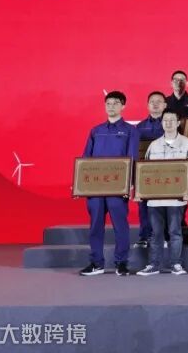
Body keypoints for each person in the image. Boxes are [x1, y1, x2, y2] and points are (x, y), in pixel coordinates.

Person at [79, 91, 140, 277]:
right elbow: (85, 159)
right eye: (108, 103)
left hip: (117, 187)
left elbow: (132, 158)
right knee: (95, 226)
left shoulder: (130, 131)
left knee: (120, 226)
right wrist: (81, 183)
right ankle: (96, 263)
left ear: (123, 106)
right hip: (95, 188)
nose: (111, 106)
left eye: (115, 103)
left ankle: (121, 263)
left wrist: (130, 183)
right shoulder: (96, 131)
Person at [136, 110, 188, 276]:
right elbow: (144, 171)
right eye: (165, 120)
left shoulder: (187, 143)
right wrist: (141, 192)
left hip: (177, 198)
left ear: (178, 123)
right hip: (155, 199)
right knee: (156, 233)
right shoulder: (153, 145)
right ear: (162, 123)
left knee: (175, 232)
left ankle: (176, 264)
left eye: (172, 120)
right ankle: (153, 265)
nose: (168, 123)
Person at [132, 91, 167, 250]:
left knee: (164, 206)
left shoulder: (170, 124)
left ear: (165, 105)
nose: (155, 104)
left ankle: (162, 237)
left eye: (159, 101)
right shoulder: (139, 127)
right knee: (144, 206)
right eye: (152, 101)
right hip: (145, 173)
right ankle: (144, 237)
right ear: (147, 105)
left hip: (166, 171)